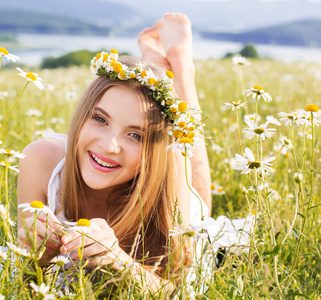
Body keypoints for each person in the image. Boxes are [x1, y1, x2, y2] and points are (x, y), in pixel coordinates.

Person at [17, 13, 212, 294]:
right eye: (100, 119)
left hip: (167, 185)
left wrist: (118, 260)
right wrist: (38, 257)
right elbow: (26, 280)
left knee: (200, 194)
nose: (109, 146)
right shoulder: (41, 160)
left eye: (136, 135)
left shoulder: (170, 181)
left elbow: (178, 292)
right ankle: (158, 68)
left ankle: (181, 70)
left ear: (154, 149)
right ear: (83, 115)